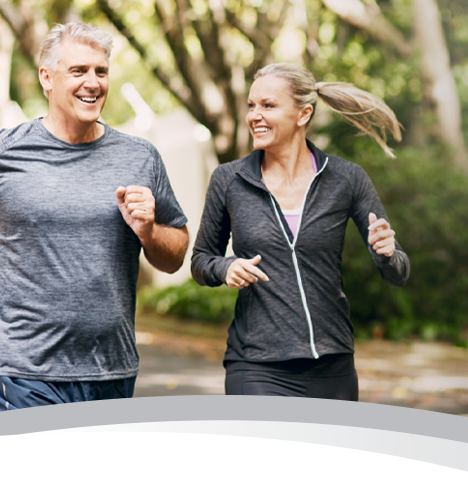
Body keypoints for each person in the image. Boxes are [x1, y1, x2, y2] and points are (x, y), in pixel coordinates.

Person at [0, 22, 189, 500]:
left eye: (101, 71)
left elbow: (174, 255)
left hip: (109, 367)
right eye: (78, 70)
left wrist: (149, 231)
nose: (93, 82)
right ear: (47, 77)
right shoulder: (0, 151)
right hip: (26, 363)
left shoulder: (139, 157)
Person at [191, 63, 410, 500]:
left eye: (268, 105)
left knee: (324, 492)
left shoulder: (346, 179)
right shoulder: (230, 180)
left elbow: (398, 271)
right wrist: (225, 267)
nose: (254, 114)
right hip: (258, 368)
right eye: (251, 105)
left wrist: (387, 254)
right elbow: (200, 260)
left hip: (332, 370)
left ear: (302, 114)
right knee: (282, 486)